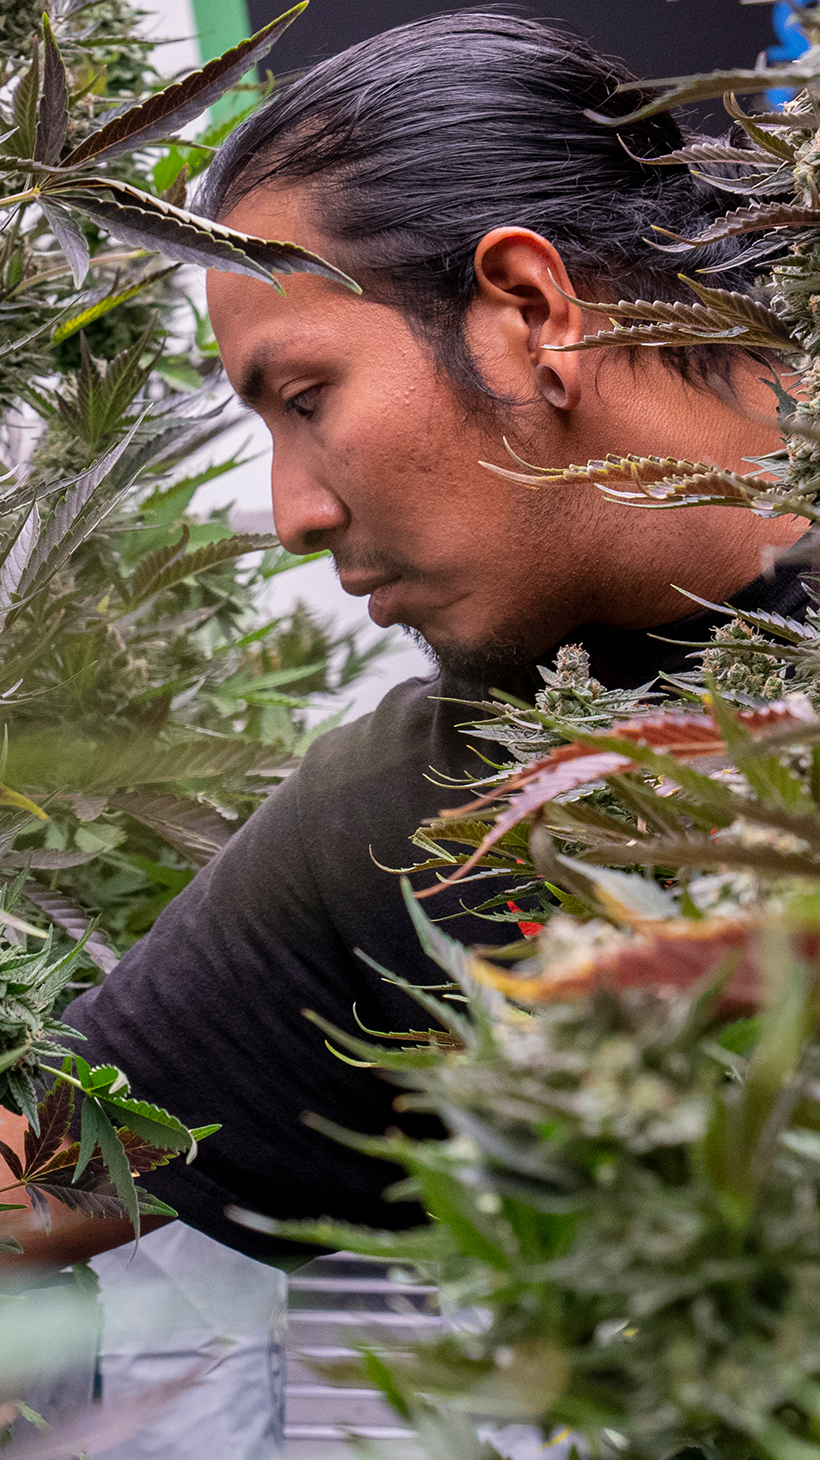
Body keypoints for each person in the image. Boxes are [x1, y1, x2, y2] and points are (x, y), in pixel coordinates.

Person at [0, 10, 807, 1268]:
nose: (291, 516)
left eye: (306, 398)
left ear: (530, 310)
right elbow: (43, 1169)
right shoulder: (416, 814)